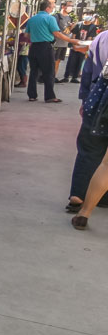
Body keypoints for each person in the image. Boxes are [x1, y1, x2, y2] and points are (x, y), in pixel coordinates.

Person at [67, 30, 107, 214]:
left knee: (89, 149)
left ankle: (78, 195)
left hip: (97, 99)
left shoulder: (101, 39)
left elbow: (88, 70)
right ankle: (101, 196)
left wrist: (85, 99)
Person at [23, 0, 82, 103]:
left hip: (34, 47)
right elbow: (57, 33)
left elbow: (26, 35)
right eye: (52, 6)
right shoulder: (50, 19)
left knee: (33, 72)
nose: (53, 8)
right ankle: (49, 96)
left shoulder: (32, 19)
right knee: (49, 71)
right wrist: (71, 40)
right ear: (47, 8)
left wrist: (37, 36)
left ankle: (32, 95)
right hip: (45, 47)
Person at [64, 14, 99, 83]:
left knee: (79, 62)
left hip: (84, 47)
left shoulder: (93, 27)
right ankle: (66, 76)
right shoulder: (78, 24)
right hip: (75, 45)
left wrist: (84, 48)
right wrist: (74, 46)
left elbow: (90, 38)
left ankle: (75, 77)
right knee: (71, 61)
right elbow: (73, 36)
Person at [52, 0, 75, 83]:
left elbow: (68, 30)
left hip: (64, 43)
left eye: (71, 6)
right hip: (57, 42)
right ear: (63, 6)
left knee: (58, 60)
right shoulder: (57, 16)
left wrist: (72, 26)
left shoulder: (69, 17)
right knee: (54, 60)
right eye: (69, 5)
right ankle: (50, 77)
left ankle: (54, 76)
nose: (70, 7)